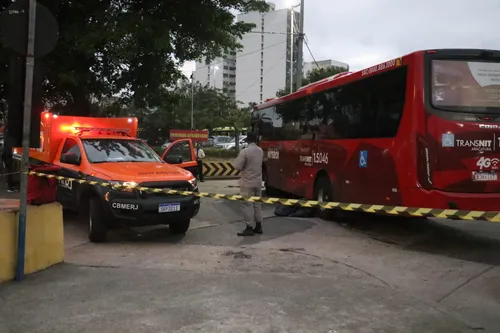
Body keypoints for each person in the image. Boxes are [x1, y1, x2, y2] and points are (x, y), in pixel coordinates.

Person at [234, 132, 263, 236]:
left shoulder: (245, 151)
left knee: (247, 204)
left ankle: (249, 228)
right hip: (258, 182)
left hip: (247, 182)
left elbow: (237, 166)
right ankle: (259, 226)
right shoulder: (260, 150)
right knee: (257, 204)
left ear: (248, 141)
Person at [2, 123, 17, 192]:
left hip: (8, 154)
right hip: (9, 154)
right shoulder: (9, 136)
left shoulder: (6, 134)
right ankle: (10, 186)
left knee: (10, 170)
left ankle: (11, 186)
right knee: (10, 170)